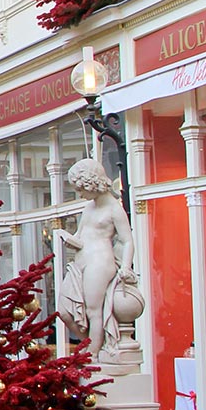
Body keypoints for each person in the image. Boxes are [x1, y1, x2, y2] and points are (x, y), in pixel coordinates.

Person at [54, 157, 141, 367]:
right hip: (81, 261)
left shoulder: (114, 209)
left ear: (92, 183)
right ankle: (92, 344)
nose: (80, 194)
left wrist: (126, 267)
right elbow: (81, 236)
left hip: (100, 262)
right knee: (65, 311)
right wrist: (68, 238)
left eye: (81, 188)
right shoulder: (89, 208)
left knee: (94, 312)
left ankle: (92, 354)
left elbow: (127, 240)